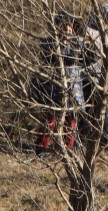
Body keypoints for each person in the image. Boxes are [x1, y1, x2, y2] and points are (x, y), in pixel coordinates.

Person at [33, 12, 85, 151]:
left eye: (70, 28)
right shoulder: (49, 45)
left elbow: (84, 57)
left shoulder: (77, 45)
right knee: (50, 119)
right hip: (53, 88)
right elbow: (47, 59)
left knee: (71, 120)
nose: (68, 31)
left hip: (73, 88)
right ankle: (40, 147)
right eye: (64, 28)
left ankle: (68, 149)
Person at [82, 2, 108, 148]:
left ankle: (104, 140)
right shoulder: (87, 31)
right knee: (92, 111)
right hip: (87, 77)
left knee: (99, 110)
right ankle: (101, 139)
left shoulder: (104, 34)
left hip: (98, 77)